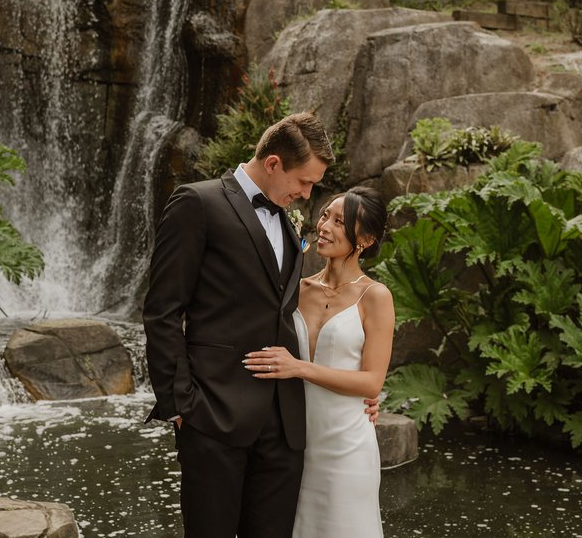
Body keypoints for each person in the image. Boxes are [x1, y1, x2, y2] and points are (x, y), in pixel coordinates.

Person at [143, 112, 343, 538]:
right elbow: (162, 310)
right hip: (213, 413)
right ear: (273, 163)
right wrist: (180, 406)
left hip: (283, 422)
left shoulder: (289, 219)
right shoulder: (197, 203)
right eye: (304, 182)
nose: (308, 194)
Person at [243, 186, 394, 538]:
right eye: (325, 215)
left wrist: (299, 367)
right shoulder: (297, 288)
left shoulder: (376, 297)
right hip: (293, 443)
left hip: (346, 446)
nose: (324, 226)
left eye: (340, 222)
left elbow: (372, 382)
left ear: (366, 239)